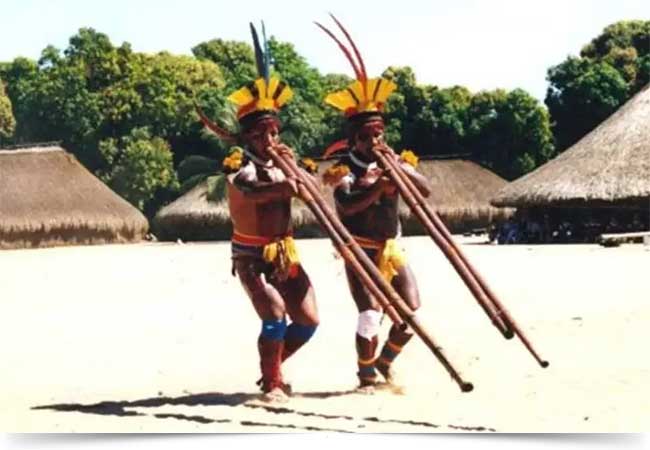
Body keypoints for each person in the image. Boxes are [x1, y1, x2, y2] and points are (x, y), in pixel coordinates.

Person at [198, 22, 318, 403]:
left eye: (273, 133)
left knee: (309, 321)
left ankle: (273, 370)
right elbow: (261, 191)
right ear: (247, 137)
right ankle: (272, 384)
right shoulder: (239, 168)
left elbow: (313, 195)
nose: (269, 141)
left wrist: (297, 172)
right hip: (251, 255)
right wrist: (289, 180)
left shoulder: (288, 164)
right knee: (275, 314)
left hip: (285, 253)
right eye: (260, 135)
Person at [317, 16, 431, 394]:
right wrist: (377, 186)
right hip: (360, 250)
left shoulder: (395, 161)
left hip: (392, 247)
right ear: (354, 139)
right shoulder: (343, 169)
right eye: (368, 136)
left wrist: (397, 171)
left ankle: (383, 363)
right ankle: (365, 376)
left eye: (380, 133)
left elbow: (424, 192)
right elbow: (347, 208)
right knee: (370, 314)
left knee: (410, 312)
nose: (376, 141)